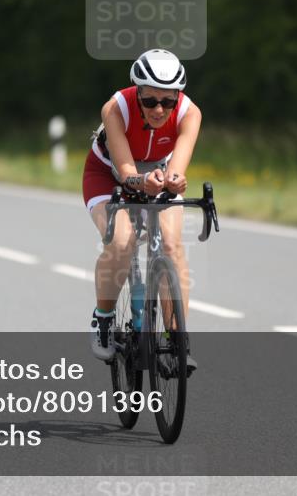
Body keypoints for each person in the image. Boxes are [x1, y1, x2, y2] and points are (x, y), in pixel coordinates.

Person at [82, 49, 202, 369]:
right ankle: (104, 319)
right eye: (150, 101)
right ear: (137, 93)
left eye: (168, 101)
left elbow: (177, 167)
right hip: (108, 174)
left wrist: (174, 181)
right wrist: (142, 180)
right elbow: (124, 172)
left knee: (173, 244)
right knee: (122, 242)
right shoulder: (116, 108)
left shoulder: (190, 113)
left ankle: (176, 339)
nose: (160, 110)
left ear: (179, 97)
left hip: (155, 174)